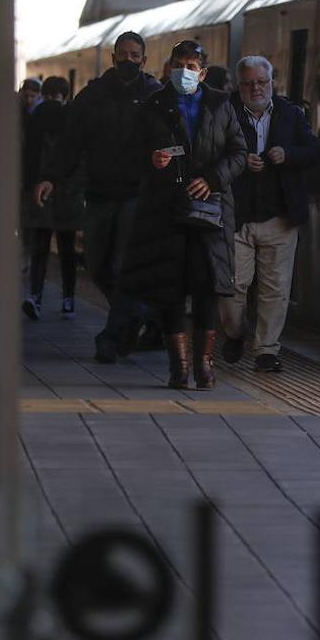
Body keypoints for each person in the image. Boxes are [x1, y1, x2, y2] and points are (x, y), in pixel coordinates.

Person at [118, 40, 246, 389]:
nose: (184, 73)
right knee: (170, 287)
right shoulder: (153, 106)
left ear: (203, 73)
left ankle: (205, 366)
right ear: (167, 67)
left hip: (210, 211)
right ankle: (179, 367)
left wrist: (212, 179)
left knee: (206, 287)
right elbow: (131, 154)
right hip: (165, 210)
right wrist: (151, 159)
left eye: (191, 67)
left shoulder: (221, 105)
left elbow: (238, 153)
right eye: (178, 65)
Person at [36, 31, 162, 363]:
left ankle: (112, 336)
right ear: (113, 57)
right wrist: (50, 177)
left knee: (123, 265)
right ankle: (142, 312)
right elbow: (70, 141)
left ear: (144, 60)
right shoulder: (93, 96)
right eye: (123, 54)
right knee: (96, 263)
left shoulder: (155, 96)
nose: (128, 60)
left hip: (138, 195)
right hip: (100, 193)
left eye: (135, 55)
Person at [218, 56, 318, 372]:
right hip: (236, 215)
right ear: (239, 85)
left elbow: (314, 152)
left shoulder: (291, 114)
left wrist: (287, 155)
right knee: (233, 286)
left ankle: (266, 351)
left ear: (272, 83)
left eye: (261, 82)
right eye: (248, 83)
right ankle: (234, 331)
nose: (255, 88)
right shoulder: (224, 113)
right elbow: (207, 154)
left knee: (276, 288)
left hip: (280, 215)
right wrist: (240, 161)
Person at [22, 76, 84, 320]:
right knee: (67, 250)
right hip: (66, 195)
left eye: (52, 97)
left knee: (40, 248)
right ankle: (68, 298)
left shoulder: (33, 121)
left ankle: (35, 296)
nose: (50, 102)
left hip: (40, 194)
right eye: (49, 97)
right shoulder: (73, 122)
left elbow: (26, 159)